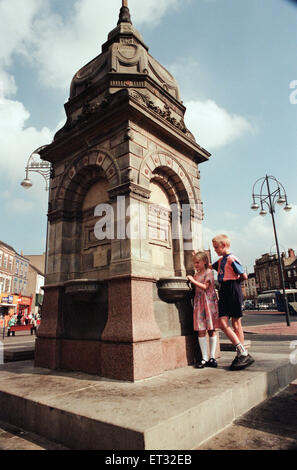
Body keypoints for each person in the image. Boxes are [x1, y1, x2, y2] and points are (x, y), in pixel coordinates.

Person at [211, 234, 254, 371]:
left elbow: (244, 275)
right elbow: (209, 266)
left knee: (236, 323)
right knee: (222, 323)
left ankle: (241, 354)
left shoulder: (231, 259)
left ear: (224, 245)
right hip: (223, 290)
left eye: (216, 247)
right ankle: (243, 352)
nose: (215, 250)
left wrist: (235, 284)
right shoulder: (220, 261)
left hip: (233, 288)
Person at [187, 250, 219, 368]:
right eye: (194, 263)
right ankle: (204, 358)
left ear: (204, 262)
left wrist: (193, 281)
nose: (195, 265)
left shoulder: (209, 272)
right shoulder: (197, 274)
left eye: (197, 262)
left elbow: (205, 287)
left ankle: (212, 357)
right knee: (201, 330)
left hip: (208, 302)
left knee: (211, 329)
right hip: (199, 303)